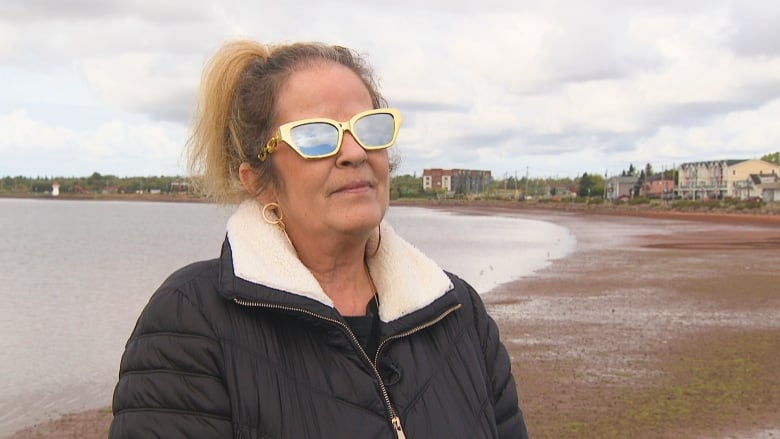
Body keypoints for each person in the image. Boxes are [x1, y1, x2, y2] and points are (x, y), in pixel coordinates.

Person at [109, 39, 529, 439]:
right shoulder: (190, 321)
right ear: (258, 182)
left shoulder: (458, 313)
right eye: (316, 136)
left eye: (369, 128)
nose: (354, 152)